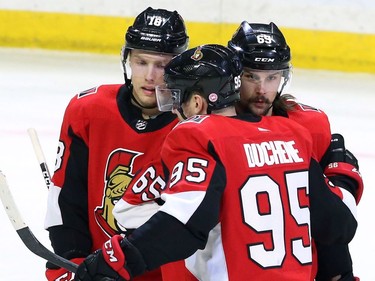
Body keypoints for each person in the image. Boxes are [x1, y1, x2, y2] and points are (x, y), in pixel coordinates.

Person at [72, 44, 357, 281]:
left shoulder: (198, 134)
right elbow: (340, 225)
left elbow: (180, 225)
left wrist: (115, 260)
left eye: (176, 99)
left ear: (196, 104)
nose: (173, 109)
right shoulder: (292, 135)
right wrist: (342, 176)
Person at [44, 7, 189, 281]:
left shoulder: (195, 125)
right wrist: (71, 260)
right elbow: (67, 199)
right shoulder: (87, 110)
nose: (150, 76)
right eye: (141, 62)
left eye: (162, 65)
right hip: (95, 272)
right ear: (128, 60)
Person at [227, 21, 363, 281]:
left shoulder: (309, 125)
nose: (262, 90)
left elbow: (327, 218)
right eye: (251, 76)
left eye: (272, 77)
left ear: (283, 77)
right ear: (235, 75)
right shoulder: (216, 127)